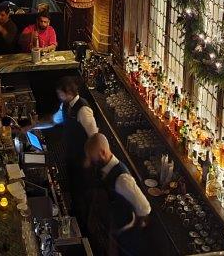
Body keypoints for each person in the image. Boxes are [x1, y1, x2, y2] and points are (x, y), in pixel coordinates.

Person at [26, 77, 98, 228]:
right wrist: (34, 126)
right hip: (71, 154)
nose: (58, 96)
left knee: (83, 190)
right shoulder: (65, 106)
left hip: (83, 158)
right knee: (73, 187)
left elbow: (95, 136)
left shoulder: (83, 110)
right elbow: (53, 121)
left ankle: (85, 225)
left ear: (68, 92)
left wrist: (89, 159)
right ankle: (75, 215)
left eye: (60, 93)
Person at [85, 133, 151, 256]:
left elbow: (145, 208)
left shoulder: (122, 179)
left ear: (103, 153)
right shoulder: (104, 168)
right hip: (109, 233)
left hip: (123, 243)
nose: (90, 162)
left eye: (92, 159)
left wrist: (122, 233)